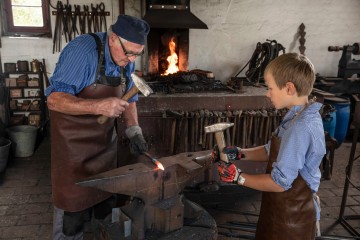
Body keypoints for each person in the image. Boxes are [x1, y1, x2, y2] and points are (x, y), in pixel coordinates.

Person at [46, 15, 150, 239]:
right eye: (129, 52)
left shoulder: (126, 58)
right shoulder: (82, 52)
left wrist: (134, 130)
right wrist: (98, 106)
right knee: (71, 220)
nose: (131, 59)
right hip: (73, 153)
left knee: (105, 212)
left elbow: (130, 98)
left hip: (104, 151)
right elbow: (54, 100)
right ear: (113, 38)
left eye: (137, 54)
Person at [214, 53, 326, 239]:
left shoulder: (300, 127)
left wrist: (239, 178)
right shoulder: (298, 114)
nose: (267, 93)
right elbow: (271, 150)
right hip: (280, 208)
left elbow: (280, 183)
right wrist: (238, 154)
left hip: (292, 218)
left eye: (270, 87)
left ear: (289, 88)